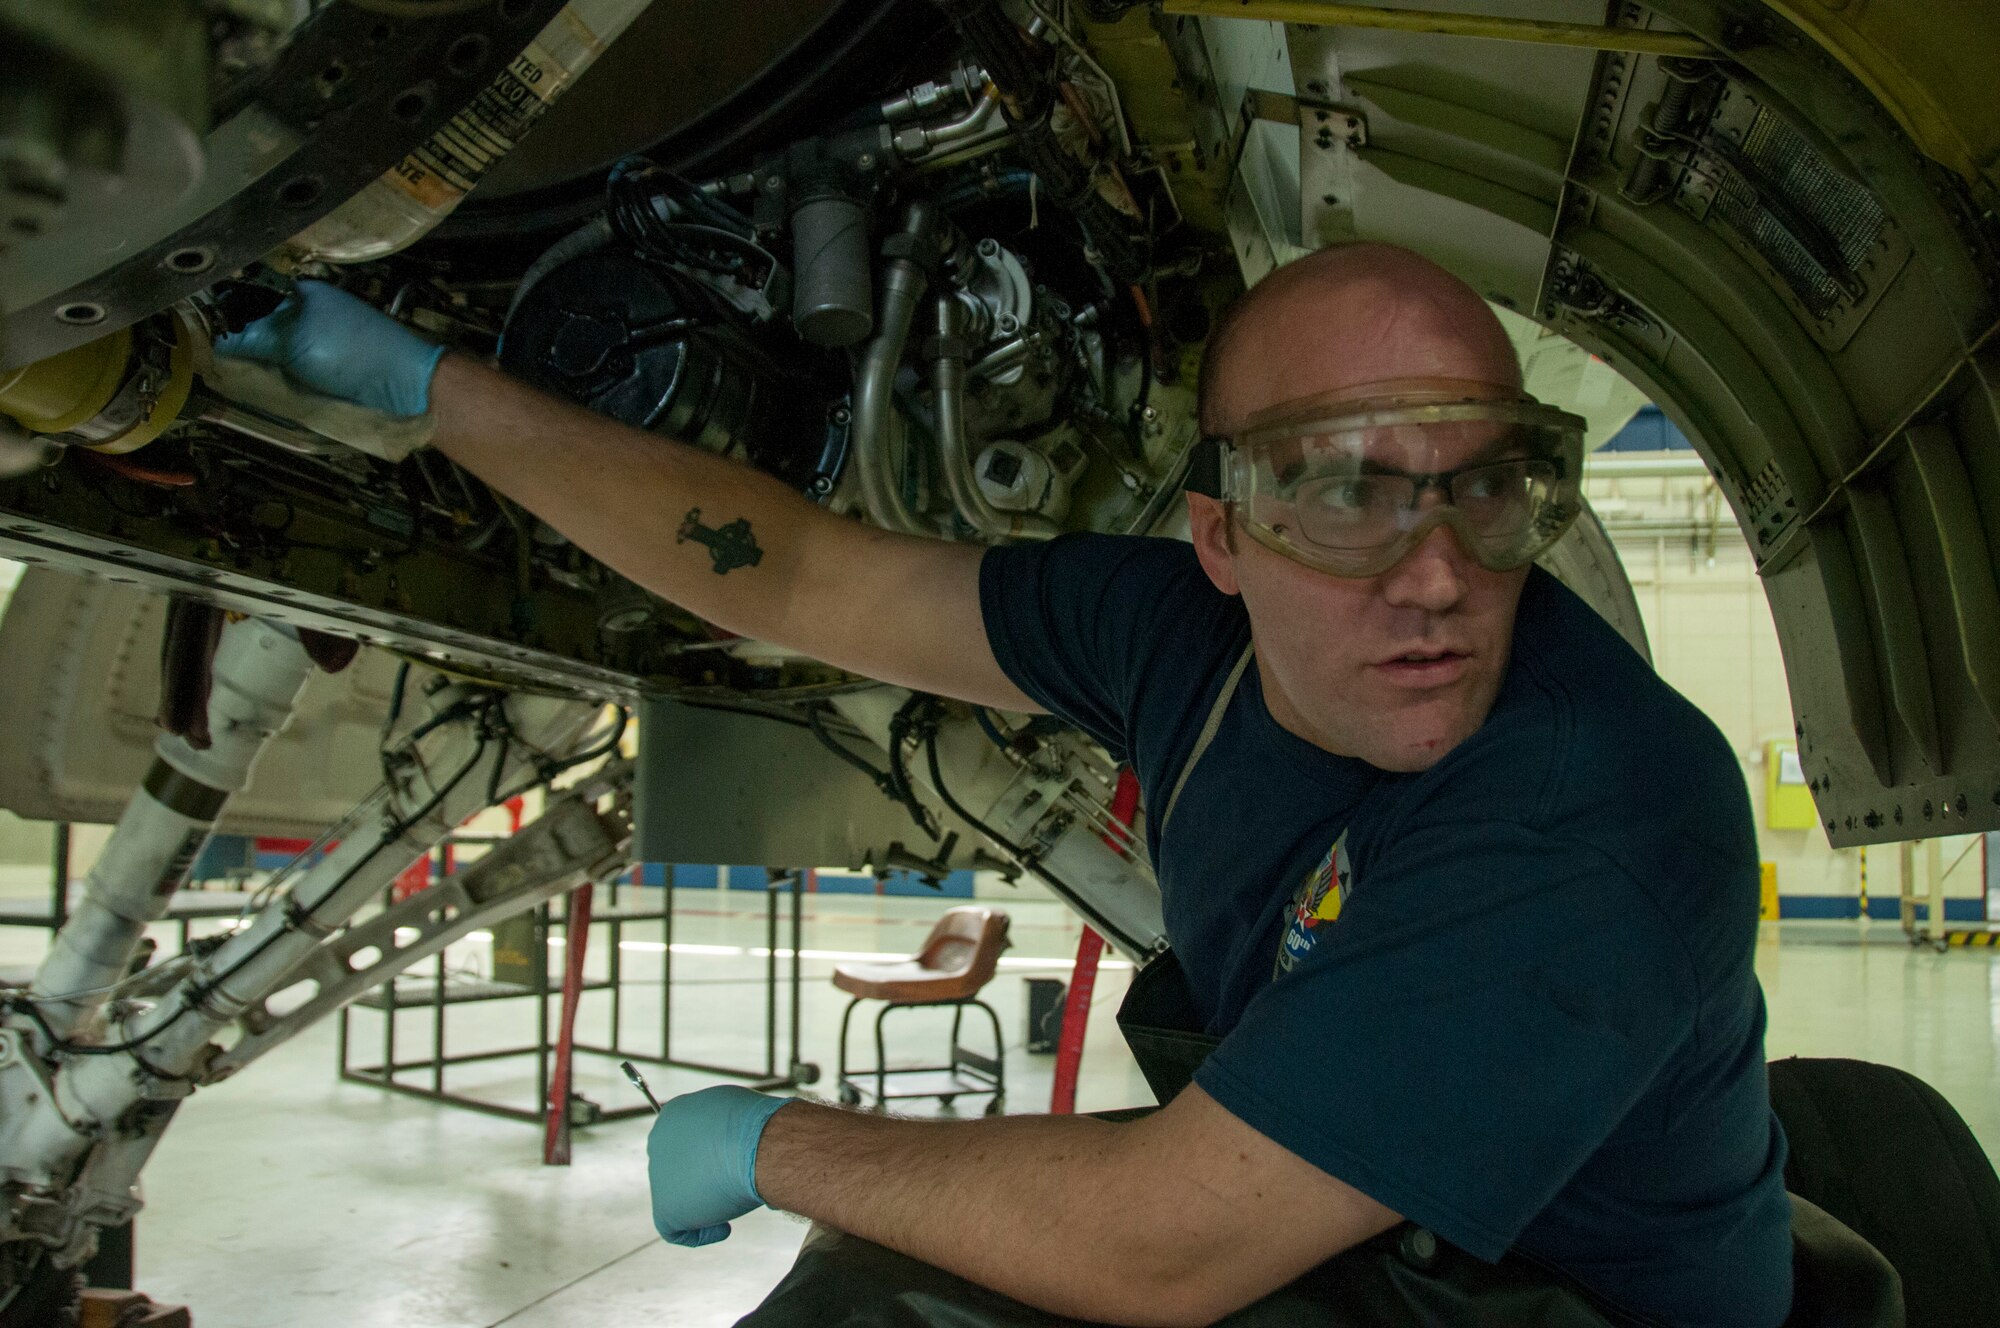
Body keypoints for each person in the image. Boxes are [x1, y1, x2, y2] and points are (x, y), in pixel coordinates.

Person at [220, 242, 1792, 1327]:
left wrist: (776, 1138)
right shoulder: (1170, 633)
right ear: (1222, 536)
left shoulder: (1599, 806)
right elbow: (803, 576)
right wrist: (431, 393)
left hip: (1560, 1301)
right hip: (1395, 1225)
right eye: (1343, 494)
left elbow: (1163, 1245)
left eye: (1486, 489)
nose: (1438, 578)